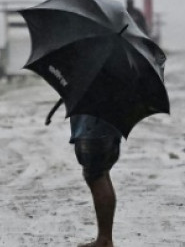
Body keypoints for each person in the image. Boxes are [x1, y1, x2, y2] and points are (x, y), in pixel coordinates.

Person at [70, 72, 124, 247]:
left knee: (96, 176)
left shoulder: (91, 62)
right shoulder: (114, 65)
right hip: (109, 124)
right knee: (102, 174)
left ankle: (104, 239)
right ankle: (105, 237)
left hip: (93, 126)